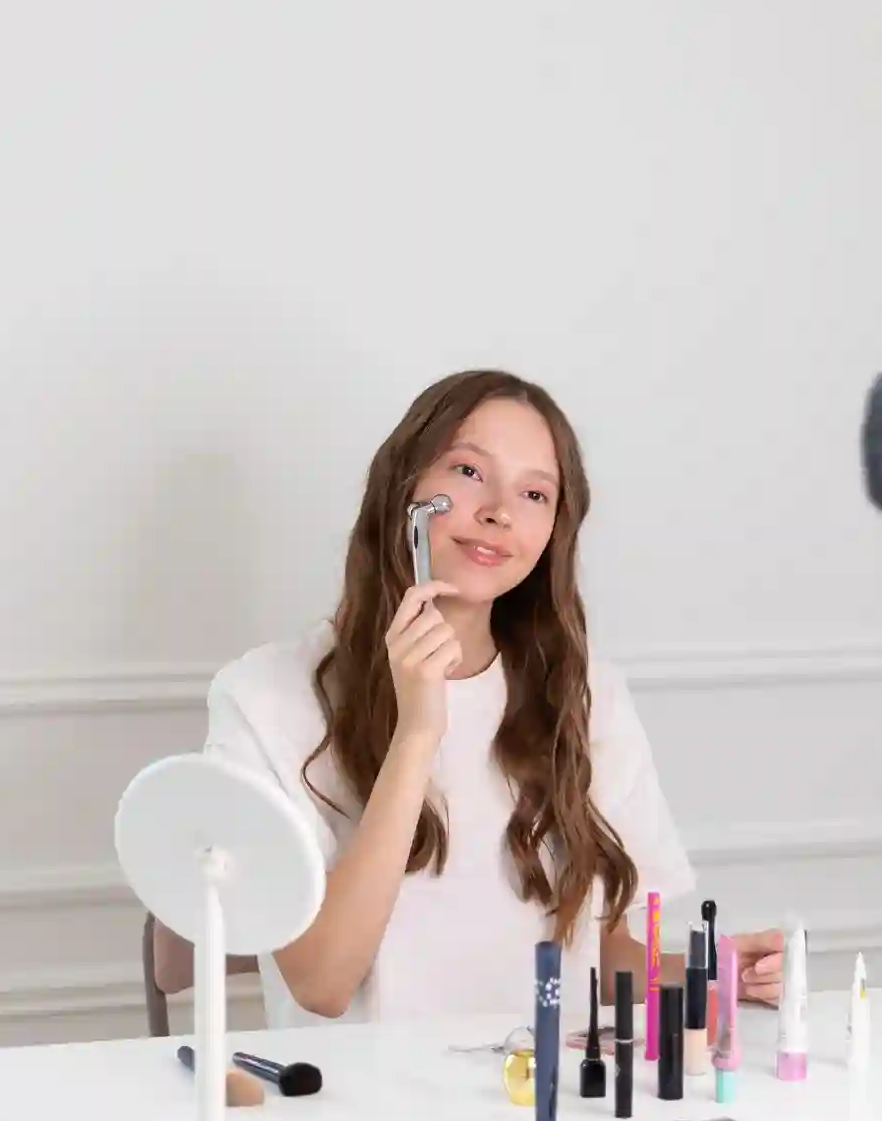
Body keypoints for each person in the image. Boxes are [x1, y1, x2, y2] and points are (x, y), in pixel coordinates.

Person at [183, 369, 786, 1026]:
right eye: (469, 472)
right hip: (362, 1114)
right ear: (403, 488)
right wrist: (416, 735)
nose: (499, 510)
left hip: (541, 1104)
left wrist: (714, 975)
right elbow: (323, 983)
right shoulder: (265, 697)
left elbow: (596, 954)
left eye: (534, 492)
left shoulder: (588, 698)